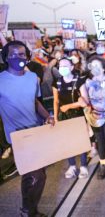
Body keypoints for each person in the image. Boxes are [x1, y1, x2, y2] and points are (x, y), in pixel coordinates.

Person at [0, 41, 55, 217]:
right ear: (5, 57)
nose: (18, 58)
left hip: (35, 131)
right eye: (13, 54)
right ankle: (28, 211)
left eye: (22, 54)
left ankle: (29, 209)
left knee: (34, 175)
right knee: (36, 175)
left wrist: (47, 116)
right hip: (17, 136)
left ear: (28, 56)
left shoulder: (32, 78)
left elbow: (35, 101)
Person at [79, 56, 105, 179]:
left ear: (103, 67)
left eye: (97, 65)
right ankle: (103, 165)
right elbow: (84, 98)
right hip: (94, 116)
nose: (94, 68)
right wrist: (82, 100)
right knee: (99, 141)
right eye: (92, 65)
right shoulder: (88, 82)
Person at [52, 57, 88, 179]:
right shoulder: (56, 82)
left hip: (77, 114)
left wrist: (69, 106)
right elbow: (56, 101)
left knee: (80, 141)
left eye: (65, 66)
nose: (62, 68)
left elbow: (85, 101)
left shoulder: (79, 81)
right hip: (63, 116)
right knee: (67, 142)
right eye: (60, 66)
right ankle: (72, 166)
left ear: (72, 67)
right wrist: (55, 117)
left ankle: (83, 166)